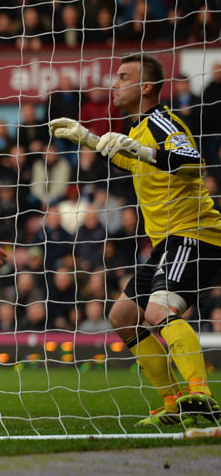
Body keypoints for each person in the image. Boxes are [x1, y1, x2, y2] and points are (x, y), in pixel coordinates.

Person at [50, 52, 221, 426]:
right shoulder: (139, 128)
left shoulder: (161, 121)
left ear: (145, 87)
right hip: (167, 242)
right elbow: (133, 159)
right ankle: (171, 402)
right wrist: (89, 139)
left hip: (193, 234)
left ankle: (200, 393)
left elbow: (192, 162)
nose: (114, 83)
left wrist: (140, 149)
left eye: (123, 76)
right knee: (123, 316)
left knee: (160, 311)